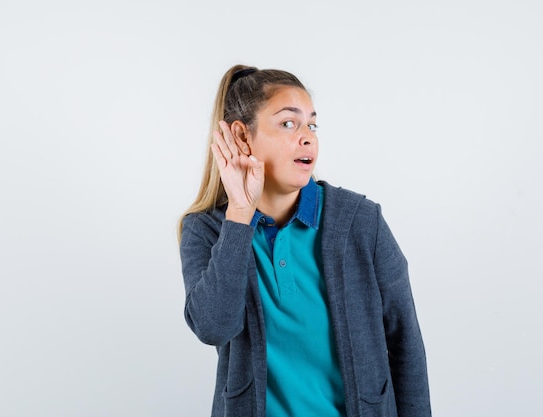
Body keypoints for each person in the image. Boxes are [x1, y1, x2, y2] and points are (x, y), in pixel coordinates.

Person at [177, 64, 431, 417]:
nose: (308, 136)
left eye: (311, 124)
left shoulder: (360, 221)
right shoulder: (207, 229)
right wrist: (239, 213)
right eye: (288, 123)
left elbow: (406, 343)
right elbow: (213, 327)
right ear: (241, 136)